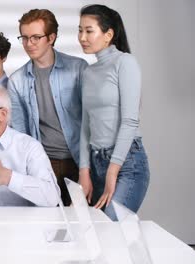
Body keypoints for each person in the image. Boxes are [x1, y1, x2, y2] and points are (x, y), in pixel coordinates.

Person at [8, 9, 88, 206]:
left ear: (51, 37)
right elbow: (20, 133)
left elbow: (90, 121)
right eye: (24, 38)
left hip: (80, 160)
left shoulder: (78, 68)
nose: (29, 44)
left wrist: (87, 168)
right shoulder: (17, 80)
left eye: (36, 37)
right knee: (45, 226)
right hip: (44, 164)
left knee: (86, 222)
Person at [77, 4, 150, 220]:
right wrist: (84, 171)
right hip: (96, 163)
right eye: (80, 30)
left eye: (89, 31)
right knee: (99, 234)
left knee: (111, 229)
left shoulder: (125, 63)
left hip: (127, 163)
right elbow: (85, 125)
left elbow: (130, 121)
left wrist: (112, 171)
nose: (82, 37)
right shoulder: (89, 72)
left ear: (108, 34)